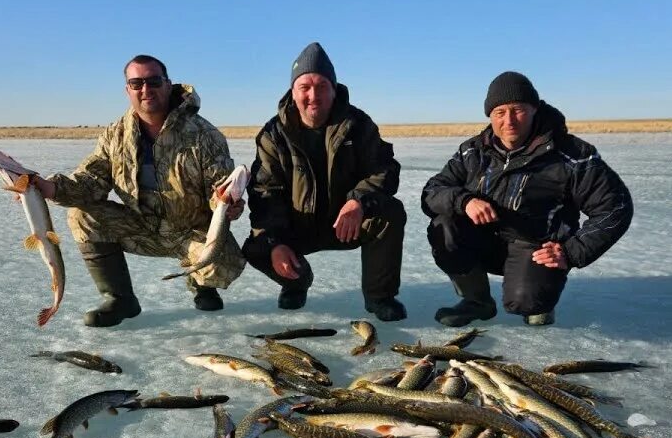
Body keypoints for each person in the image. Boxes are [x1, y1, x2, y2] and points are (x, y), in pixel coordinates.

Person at [30, 55, 245, 327]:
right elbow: (91, 181)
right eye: (136, 83)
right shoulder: (115, 135)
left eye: (154, 81)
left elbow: (220, 187)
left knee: (219, 267)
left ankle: (201, 283)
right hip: (141, 227)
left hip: (190, 231)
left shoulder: (204, 134)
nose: (146, 89)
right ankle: (120, 299)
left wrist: (228, 204)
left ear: (168, 84)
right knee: (82, 216)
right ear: (127, 89)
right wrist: (49, 187)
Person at [421, 71, 633, 327]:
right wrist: (464, 201)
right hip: (483, 240)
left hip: (535, 248)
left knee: (528, 304)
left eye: (517, 110)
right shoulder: (472, 151)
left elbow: (615, 207)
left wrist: (571, 251)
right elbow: (432, 191)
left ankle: (539, 297)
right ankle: (476, 301)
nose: (509, 120)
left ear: (534, 109)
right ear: (490, 115)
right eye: (500, 112)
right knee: (444, 226)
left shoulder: (572, 155)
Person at [242, 42, 407, 322]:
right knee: (258, 246)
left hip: (345, 222)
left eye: (321, 86)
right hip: (296, 225)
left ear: (334, 89)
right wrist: (276, 241)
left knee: (390, 212)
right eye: (304, 87)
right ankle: (295, 283)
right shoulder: (273, 133)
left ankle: (381, 297)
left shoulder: (358, 123)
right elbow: (264, 191)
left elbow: (384, 169)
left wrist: (359, 201)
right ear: (293, 92)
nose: (313, 95)